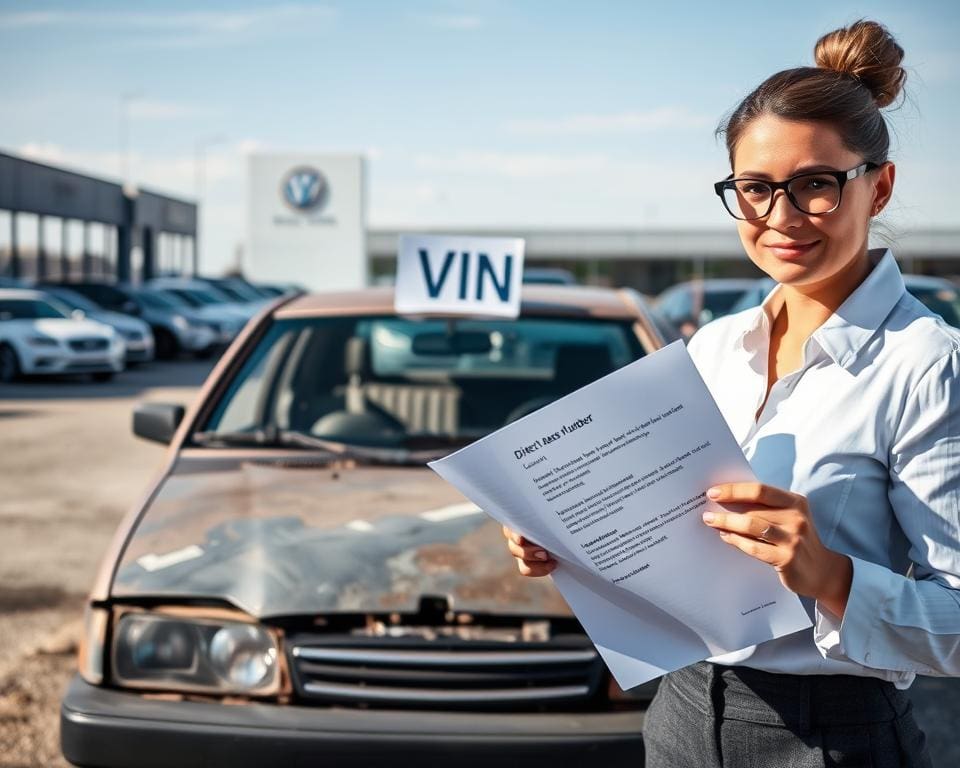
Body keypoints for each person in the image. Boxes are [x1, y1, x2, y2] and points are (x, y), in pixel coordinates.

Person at [502, 19, 958, 767]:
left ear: (879, 186)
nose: (779, 218)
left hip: (831, 737)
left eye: (815, 184)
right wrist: (566, 536)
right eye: (754, 188)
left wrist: (832, 577)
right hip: (680, 714)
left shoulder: (926, 366)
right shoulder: (714, 348)